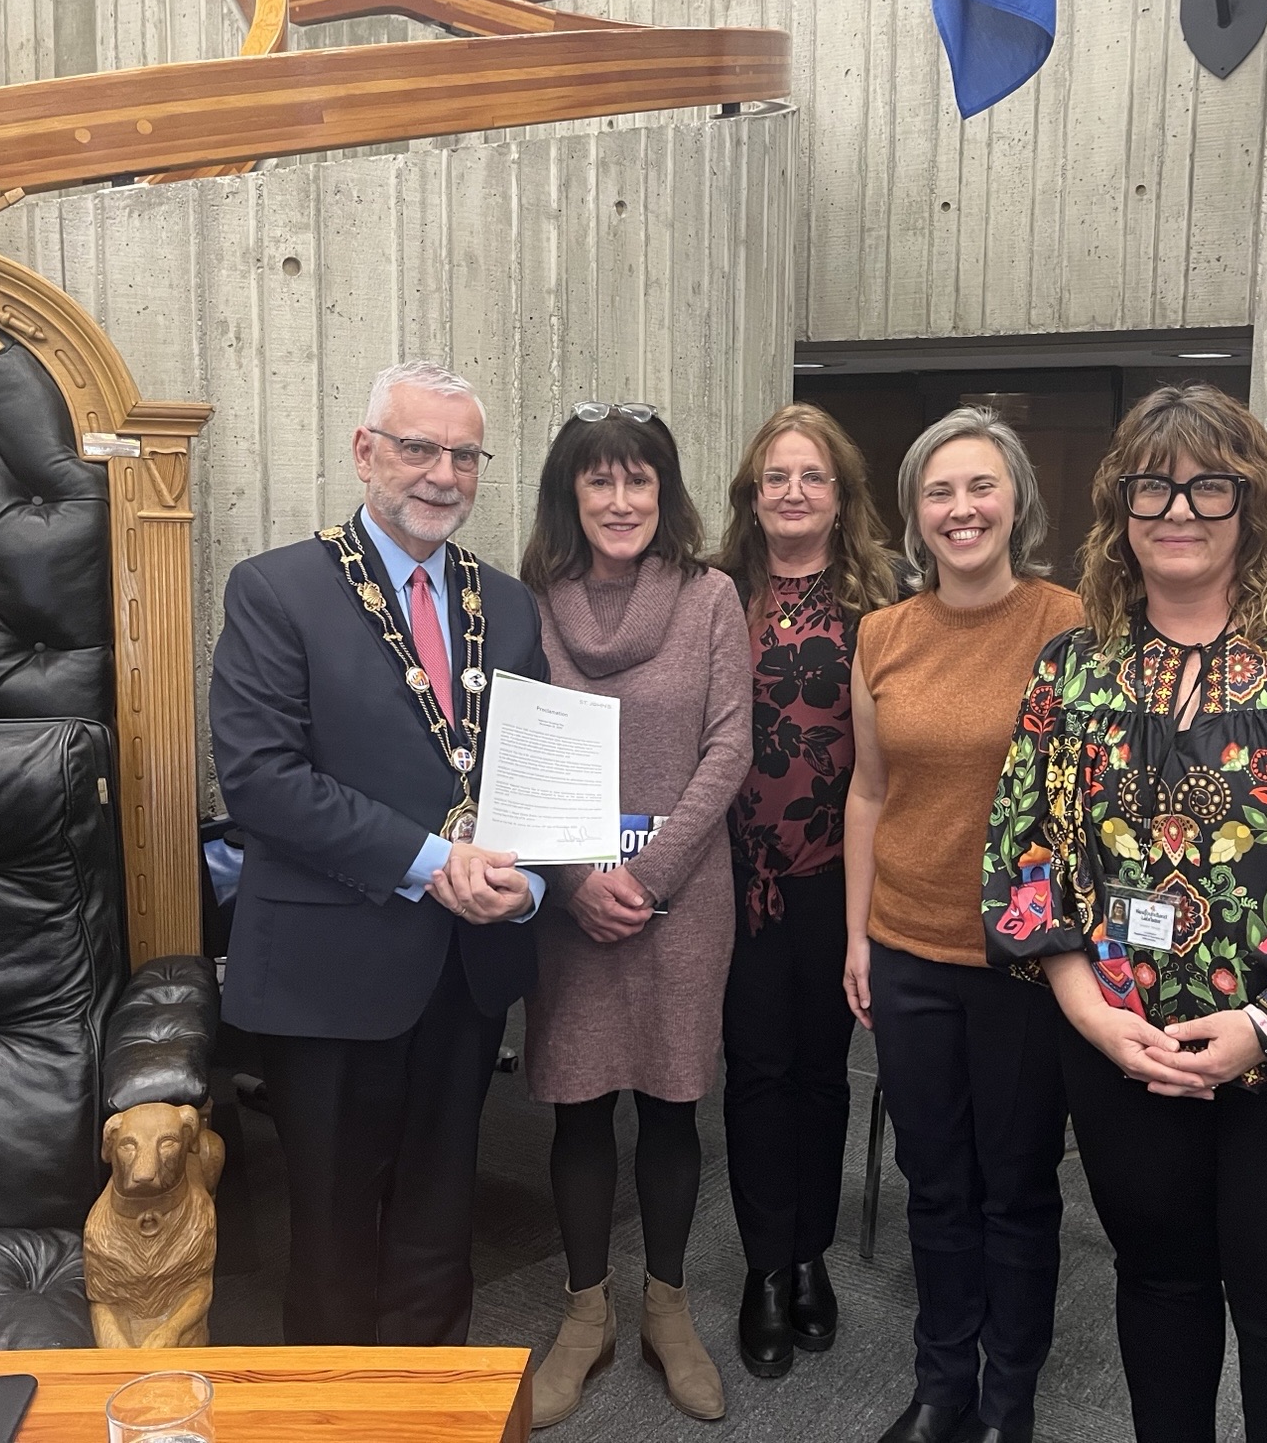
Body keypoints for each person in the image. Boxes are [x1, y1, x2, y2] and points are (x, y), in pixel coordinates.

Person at [983, 384, 1267, 1443]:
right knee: (1159, 1291)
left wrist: (1264, 1024)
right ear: (1118, 508)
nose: (1177, 510)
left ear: (1251, 505)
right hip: (1126, 1052)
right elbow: (1024, 853)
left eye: (1207, 486)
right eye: (1152, 486)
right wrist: (1091, 1017)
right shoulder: (1073, 666)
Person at [209, 360, 550, 1346]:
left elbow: (528, 780)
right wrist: (430, 863)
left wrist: (524, 880)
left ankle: (432, 1399)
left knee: (444, 1217)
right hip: (329, 968)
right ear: (365, 453)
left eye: (462, 454)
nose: (441, 474)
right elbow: (262, 781)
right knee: (329, 1228)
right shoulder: (277, 590)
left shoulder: (512, 606)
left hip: (465, 966)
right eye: (416, 448)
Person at [844, 407, 1084, 1443]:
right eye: (937, 492)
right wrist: (856, 938)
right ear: (913, 515)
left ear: (1016, 501)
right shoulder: (883, 636)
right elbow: (866, 791)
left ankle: (1007, 1399)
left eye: (978, 487)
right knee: (932, 1184)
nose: (959, 509)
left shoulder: (1069, 624)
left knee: (1016, 1190)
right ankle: (942, 1385)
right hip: (906, 952)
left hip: (1025, 964)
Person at [518, 402, 751, 1428]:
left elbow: (729, 750)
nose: (620, 500)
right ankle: (584, 1314)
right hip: (569, 900)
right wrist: (573, 879)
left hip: (681, 895)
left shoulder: (710, 598)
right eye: (598, 481)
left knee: (668, 1101)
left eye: (639, 480)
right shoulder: (526, 601)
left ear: (666, 492)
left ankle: (664, 1307)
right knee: (576, 1104)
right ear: (571, 495)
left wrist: (647, 877)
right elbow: (511, 753)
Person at [714, 403, 897, 1378]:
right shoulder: (710, 593)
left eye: (811, 476)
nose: (791, 491)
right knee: (753, 1075)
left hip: (836, 878)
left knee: (823, 1077)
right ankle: (759, 1267)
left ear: (839, 496)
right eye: (774, 476)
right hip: (731, 883)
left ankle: (809, 1255)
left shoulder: (880, 602)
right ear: (752, 493)